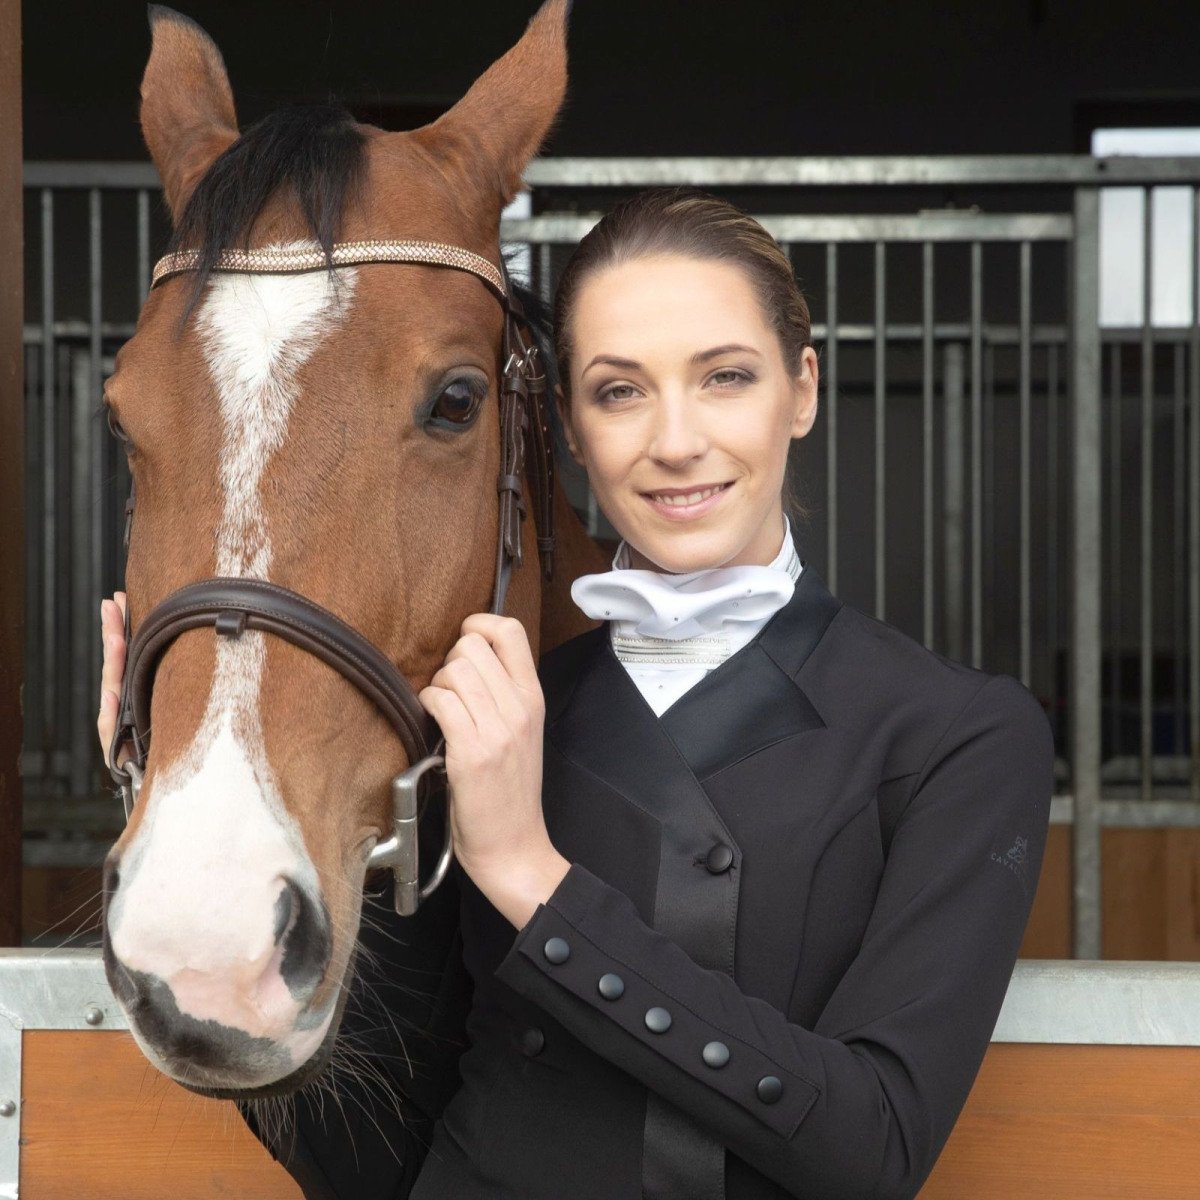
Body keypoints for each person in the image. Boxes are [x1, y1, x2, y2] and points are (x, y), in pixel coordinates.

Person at [99, 186, 1055, 1200]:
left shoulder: (958, 733)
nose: (676, 440)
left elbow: (872, 1149)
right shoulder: (477, 719)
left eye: (725, 377)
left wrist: (529, 877)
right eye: (619, 391)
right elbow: (374, 1165)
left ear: (802, 389)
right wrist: (166, 776)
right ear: (565, 422)